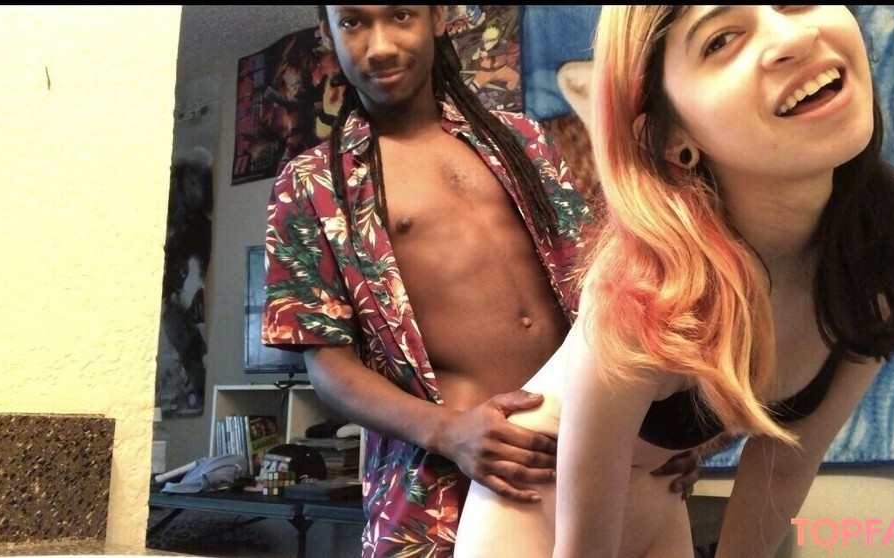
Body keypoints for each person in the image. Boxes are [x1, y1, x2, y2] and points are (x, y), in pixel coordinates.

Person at [454, 5, 894, 558]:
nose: (794, 36)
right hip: (535, 496)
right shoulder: (644, 290)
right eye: (720, 40)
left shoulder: (886, 257)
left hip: (659, 491)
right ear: (671, 136)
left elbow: (786, 464)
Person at [261, 6, 700, 557]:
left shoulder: (522, 139)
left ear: (437, 17)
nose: (381, 46)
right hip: (448, 479)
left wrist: (662, 426)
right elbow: (328, 367)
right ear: (328, 33)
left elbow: (607, 291)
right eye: (353, 23)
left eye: (401, 15)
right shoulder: (311, 184)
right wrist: (448, 432)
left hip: (593, 451)